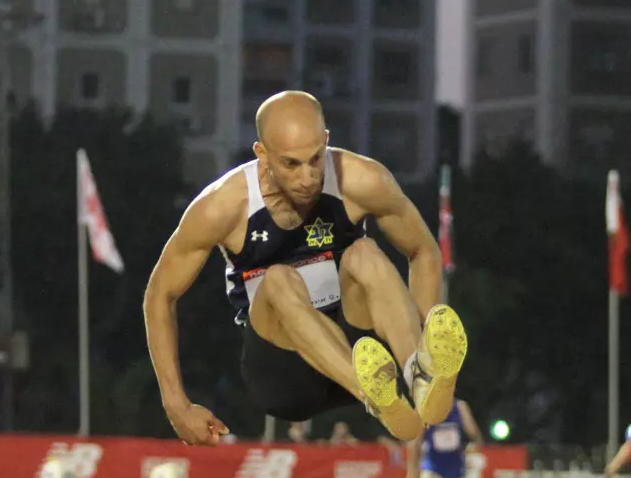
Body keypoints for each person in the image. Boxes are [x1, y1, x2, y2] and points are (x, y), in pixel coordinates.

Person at [143, 90, 467, 446]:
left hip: (358, 348)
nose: (308, 178)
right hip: (284, 376)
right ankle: (373, 395)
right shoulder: (223, 206)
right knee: (278, 278)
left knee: (365, 253)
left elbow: (423, 251)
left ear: (326, 141)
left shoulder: (361, 180)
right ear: (262, 154)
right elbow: (160, 294)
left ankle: (418, 375)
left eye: (315, 159)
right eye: (291, 164)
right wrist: (176, 403)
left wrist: (420, 333)